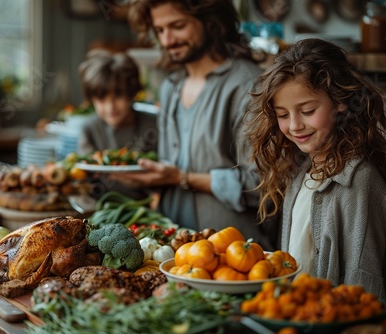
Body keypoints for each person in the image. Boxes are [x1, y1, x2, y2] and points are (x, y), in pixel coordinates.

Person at [124, 0, 277, 250]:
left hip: (233, 255)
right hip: (170, 251)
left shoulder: (247, 85)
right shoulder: (171, 88)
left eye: (177, 26)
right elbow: (170, 169)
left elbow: (263, 187)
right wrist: (146, 177)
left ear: (210, 21)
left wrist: (182, 178)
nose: (167, 40)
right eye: (160, 30)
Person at [245, 38, 386, 299]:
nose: (295, 126)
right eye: (283, 115)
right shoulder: (301, 173)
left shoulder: (359, 181)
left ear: (341, 102)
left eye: (307, 111)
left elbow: (365, 283)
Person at [77, 49, 158, 199]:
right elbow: (85, 176)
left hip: (145, 206)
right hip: (100, 205)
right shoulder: (89, 128)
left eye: (118, 96)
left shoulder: (153, 125)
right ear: (91, 99)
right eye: (101, 99)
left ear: (132, 92)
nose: (110, 107)